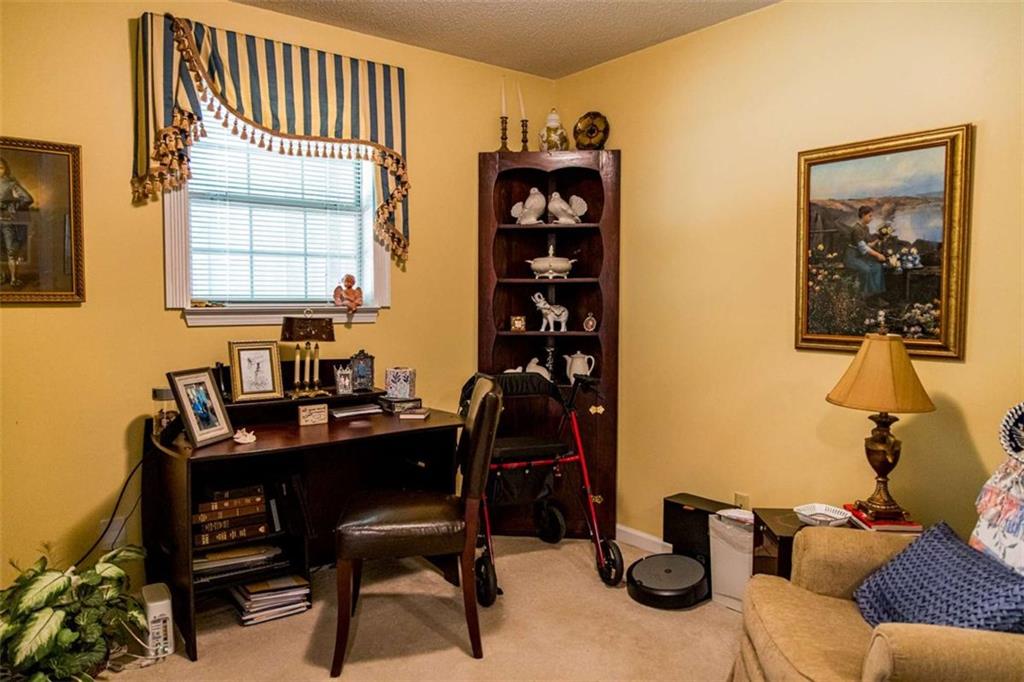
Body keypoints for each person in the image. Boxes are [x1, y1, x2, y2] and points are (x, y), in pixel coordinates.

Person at [0, 157, 35, 287]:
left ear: (5, 169)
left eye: (0, 167)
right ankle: (2, 276)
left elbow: (28, 198)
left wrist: (13, 206)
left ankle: (14, 279)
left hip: (6, 221)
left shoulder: (11, 184)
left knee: (11, 251)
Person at [843, 206, 887, 305]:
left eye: (872, 216)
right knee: (866, 269)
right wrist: (878, 255)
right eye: (870, 216)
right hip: (852, 257)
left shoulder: (865, 228)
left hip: (860, 256)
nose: (871, 219)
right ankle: (865, 298)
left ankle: (876, 296)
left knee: (877, 267)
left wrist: (878, 240)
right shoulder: (856, 229)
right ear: (863, 215)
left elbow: (867, 245)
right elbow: (863, 248)